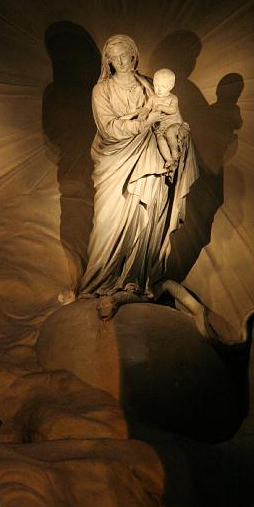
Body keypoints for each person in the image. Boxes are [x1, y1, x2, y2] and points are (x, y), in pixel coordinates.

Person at [78, 34, 198, 318]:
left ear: (134, 56)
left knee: (146, 220)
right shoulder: (102, 91)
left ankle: (135, 282)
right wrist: (144, 122)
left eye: (126, 56)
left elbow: (171, 117)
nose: (121, 62)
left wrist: (177, 133)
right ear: (107, 61)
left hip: (149, 162)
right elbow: (109, 128)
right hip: (115, 161)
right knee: (107, 224)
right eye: (114, 57)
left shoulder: (149, 84)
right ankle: (97, 283)